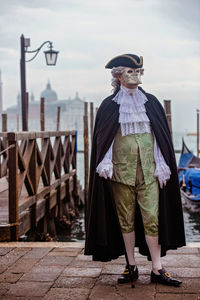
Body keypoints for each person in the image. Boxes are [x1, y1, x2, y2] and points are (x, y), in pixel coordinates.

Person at [84, 54, 186, 286]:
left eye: (138, 71)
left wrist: (162, 165)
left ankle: (157, 268)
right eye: (130, 71)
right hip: (120, 174)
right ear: (118, 75)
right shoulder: (109, 106)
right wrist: (105, 162)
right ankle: (131, 266)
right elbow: (104, 140)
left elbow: (160, 138)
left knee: (152, 218)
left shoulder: (151, 102)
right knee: (125, 220)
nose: (136, 74)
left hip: (150, 173)